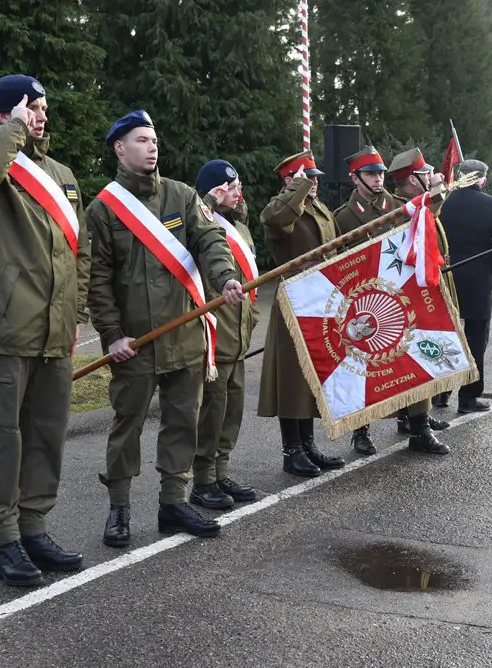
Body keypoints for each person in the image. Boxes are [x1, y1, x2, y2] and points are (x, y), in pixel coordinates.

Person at [0, 74, 91, 587]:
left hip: (56, 332)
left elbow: (81, 251)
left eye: (44, 108)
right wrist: (13, 130)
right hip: (7, 329)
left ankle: (34, 528)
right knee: (3, 437)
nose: (41, 116)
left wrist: (75, 312)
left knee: (47, 435)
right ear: (4, 114)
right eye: (32, 107)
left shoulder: (62, 175)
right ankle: (5, 541)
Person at [86, 111, 245, 545]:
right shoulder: (103, 210)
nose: (152, 147)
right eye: (141, 140)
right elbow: (98, 281)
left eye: (154, 140)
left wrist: (225, 277)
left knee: (182, 422)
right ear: (120, 148)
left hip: (184, 334)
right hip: (135, 342)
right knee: (127, 426)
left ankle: (174, 503)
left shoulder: (182, 195)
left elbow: (210, 240)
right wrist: (111, 335)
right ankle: (119, 508)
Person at [332, 146, 450, 456]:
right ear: (355, 178)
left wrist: (438, 191)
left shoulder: (400, 206)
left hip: (402, 297)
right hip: (365, 302)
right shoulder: (343, 217)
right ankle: (361, 431)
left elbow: (426, 223)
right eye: (370, 174)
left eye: (381, 173)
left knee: (413, 355)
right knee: (364, 367)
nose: (377, 178)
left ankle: (419, 427)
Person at [258, 150, 347, 477]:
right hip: (295, 299)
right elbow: (275, 220)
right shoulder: (281, 208)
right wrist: (295, 188)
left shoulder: (320, 209)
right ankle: (291, 450)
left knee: (312, 375)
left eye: (316, 178)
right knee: (292, 378)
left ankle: (308, 445)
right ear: (291, 181)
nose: (315, 183)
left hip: (323, 298)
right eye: (308, 178)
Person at [189, 159, 260, 510]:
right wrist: (207, 204)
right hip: (216, 333)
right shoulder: (200, 222)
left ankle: (221, 472)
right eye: (229, 188)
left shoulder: (240, 228)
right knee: (212, 411)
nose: (237, 192)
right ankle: (203, 479)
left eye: (238, 186)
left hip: (240, 332)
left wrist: (252, 317)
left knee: (232, 409)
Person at [438, 159, 492, 414]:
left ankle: (439, 392)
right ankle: (468, 397)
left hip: (442, 277)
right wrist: (490, 269)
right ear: (482, 179)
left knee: (442, 336)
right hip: (477, 280)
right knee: (475, 340)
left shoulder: (441, 203)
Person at [387, 148, 460, 414]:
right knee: (416, 351)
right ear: (413, 179)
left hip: (433, 279)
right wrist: (439, 188)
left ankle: (421, 415)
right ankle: (413, 417)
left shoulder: (418, 202)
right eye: (425, 174)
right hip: (414, 290)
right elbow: (427, 213)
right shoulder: (402, 207)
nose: (430, 177)